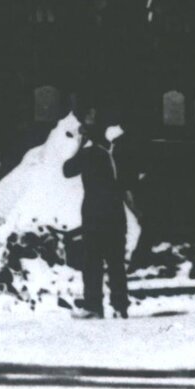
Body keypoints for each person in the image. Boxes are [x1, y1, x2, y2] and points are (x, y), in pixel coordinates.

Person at [62, 114, 131, 319]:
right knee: (116, 262)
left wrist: (79, 145)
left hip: (94, 216)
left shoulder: (89, 153)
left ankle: (93, 305)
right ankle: (120, 306)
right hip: (116, 215)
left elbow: (67, 170)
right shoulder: (115, 154)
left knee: (92, 262)